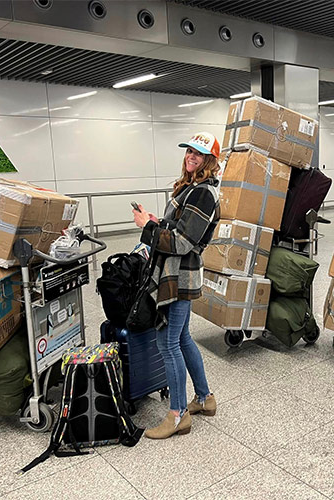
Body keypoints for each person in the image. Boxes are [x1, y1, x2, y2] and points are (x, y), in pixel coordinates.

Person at [132, 132, 221, 439]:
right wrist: (158, 223)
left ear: (209, 160)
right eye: (188, 152)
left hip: (178, 278)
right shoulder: (192, 188)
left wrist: (148, 230)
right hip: (178, 274)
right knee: (181, 338)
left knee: (167, 344)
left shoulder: (203, 194)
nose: (190, 156)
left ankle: (178, 414)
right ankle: (204, 398)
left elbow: (184, 243)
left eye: (198, 153)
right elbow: (180, 230)